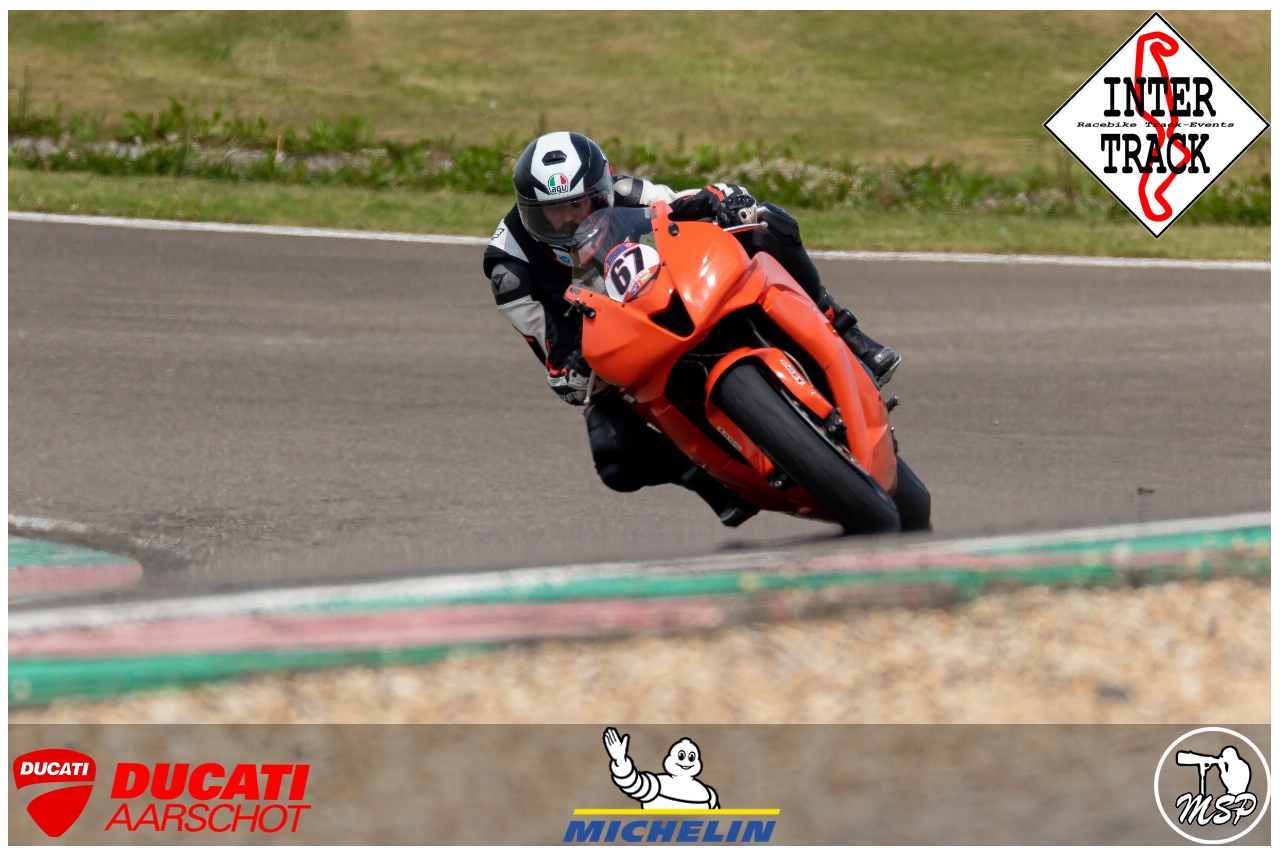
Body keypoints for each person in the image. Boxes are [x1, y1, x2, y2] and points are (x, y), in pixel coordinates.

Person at [482, 132, 900, 527]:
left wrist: (722, 198)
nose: (573, 218)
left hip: (674, 292)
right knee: (615, 457)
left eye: (581, 203)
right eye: (555, 211)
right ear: (530, 212)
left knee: (767, 224)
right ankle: (704, 478)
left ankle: (845, 330)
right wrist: (570, 371)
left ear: (600, 190)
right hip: (608, 338)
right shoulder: (511, 269)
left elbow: (683, 204)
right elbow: (554, 358)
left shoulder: (623, 192)